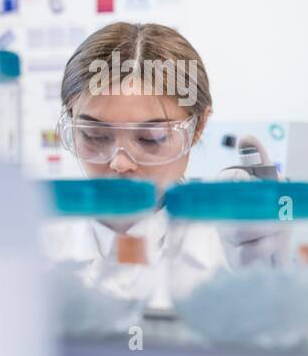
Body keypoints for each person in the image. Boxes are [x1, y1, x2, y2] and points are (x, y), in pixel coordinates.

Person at [49, 21, 225, 309]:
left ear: (198, 126)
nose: (119, 163)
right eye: (96, 136)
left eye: (150, 138)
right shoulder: (35, 243)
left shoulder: (230, 246)